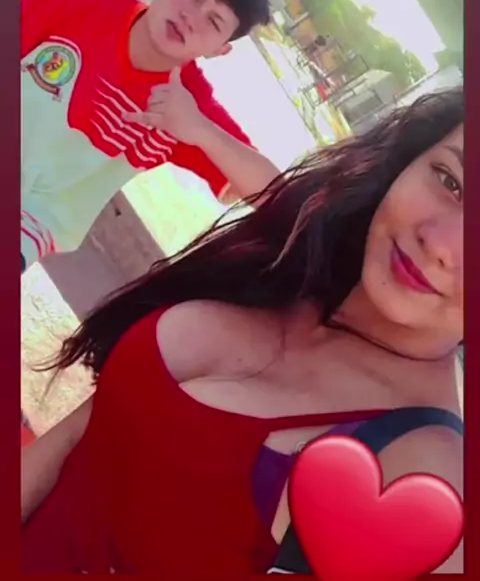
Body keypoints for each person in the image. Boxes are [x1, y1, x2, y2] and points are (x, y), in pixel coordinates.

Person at [21, 90, 464, 575]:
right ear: (411, 158)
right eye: (450, 180)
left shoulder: (426, 478)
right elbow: (76, 439)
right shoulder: (296, 260)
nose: (441, 245)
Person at [21, 0, 280, 272]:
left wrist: (199, 130)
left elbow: (278, 196)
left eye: (214, 22)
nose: (191, 18)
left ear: (219, 51)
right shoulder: (89, 2)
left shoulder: (188, 106)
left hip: (29, 220)